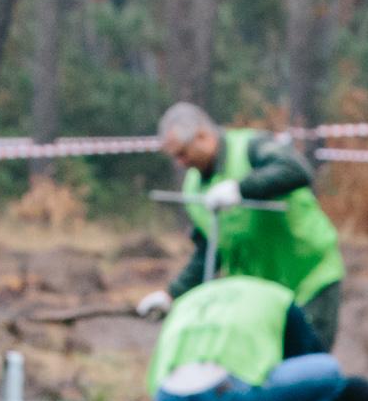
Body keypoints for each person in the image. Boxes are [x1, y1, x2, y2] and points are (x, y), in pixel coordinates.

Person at [137, 104, 346, 348]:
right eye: (175, 157)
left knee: (308, 363)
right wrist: (171, 294)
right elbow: (210, 250)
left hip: (307, 278)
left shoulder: (250, 147)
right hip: (261, 295)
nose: (181, 163)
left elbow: (296, 169)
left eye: (183, 153)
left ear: (202, 136)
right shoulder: (194, 187)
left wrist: (241, 188)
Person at [148, 275, 368, 401]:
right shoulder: (277, 298)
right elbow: (307, 356)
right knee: (330, 372)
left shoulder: (192, 298)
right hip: (224, 399)